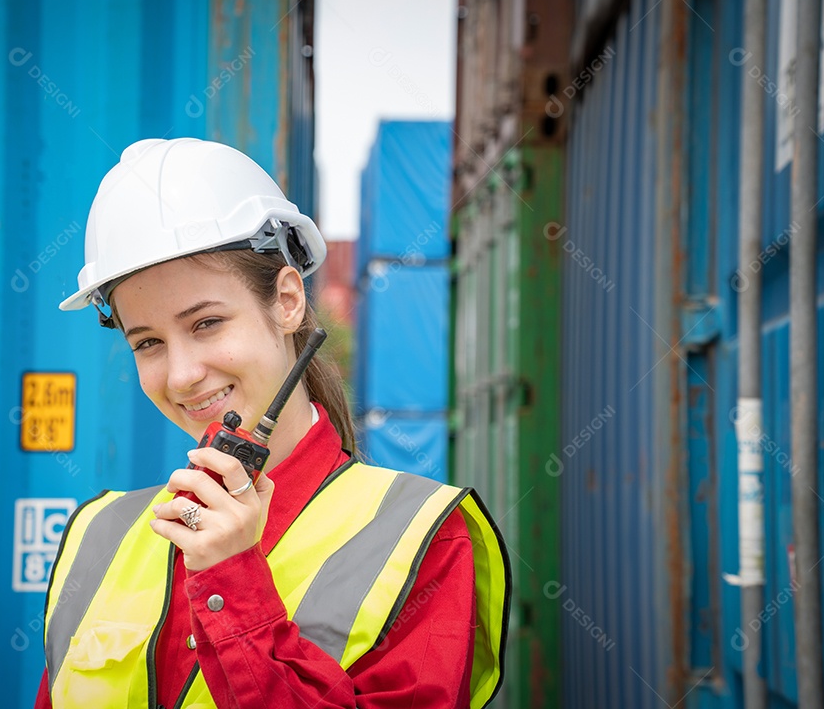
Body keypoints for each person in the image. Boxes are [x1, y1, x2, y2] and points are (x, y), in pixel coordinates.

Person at [35, 138, 511, 709]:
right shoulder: (96, 537)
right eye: (149, 342)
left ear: (287, 301)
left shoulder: (423, 540)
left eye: (206, 323)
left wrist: (233, 583)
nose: (183, 375)